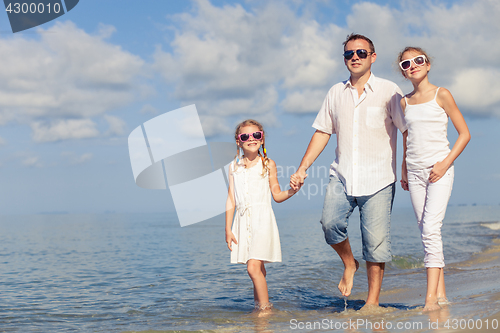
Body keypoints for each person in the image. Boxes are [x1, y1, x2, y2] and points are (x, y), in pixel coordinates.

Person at [290, 33, 407, 308]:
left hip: (379, 179)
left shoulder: (390, 91)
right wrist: (302, 168)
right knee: (330, 224)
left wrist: (405, 168)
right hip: (341, 175)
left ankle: (372, 303)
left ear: (372, 57)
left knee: (375, 245)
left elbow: (406, 131)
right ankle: (349, 263)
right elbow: (322, 132)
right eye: (349, 54)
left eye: (361, 53)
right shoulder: (335, 93)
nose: (354, 57)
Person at [398, 47, 470, 311]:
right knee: (426, 231)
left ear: (427, 65)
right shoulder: (403, 102)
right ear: (403, 72)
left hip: (439, 170)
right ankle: (441, 296)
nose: (412, 65)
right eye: (406, 63)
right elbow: (406, 138)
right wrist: (403, 169)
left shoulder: (442, 94)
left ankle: (429, 301)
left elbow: (464, 134)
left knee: (430, 229)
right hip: (414, 173)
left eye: (418, 60)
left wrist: (444, 163)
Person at [225, 119, 297, 313]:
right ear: (238, 141)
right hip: (242, 222)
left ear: (262, 138)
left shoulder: (268, 164)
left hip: (262, 221)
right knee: (258, 269)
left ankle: (265, 311)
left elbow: (277, 195)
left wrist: (293, 190)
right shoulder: (234, 167)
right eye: (245, 136)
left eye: (256, 135)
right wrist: (228, 229)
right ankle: (259, 307)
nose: (251, 139)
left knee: (253, 268)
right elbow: (231, 199)